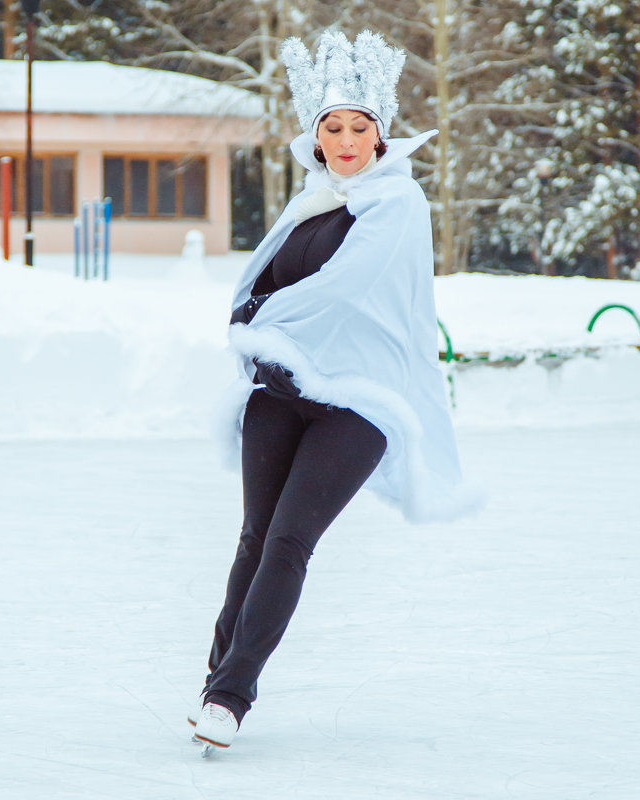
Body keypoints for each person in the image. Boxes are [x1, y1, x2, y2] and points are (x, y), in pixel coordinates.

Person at [190, 29, 482, 753]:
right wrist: (250, 328)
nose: (346, 140)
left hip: (361, 401)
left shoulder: (397, 204)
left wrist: (263, 326)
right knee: (256, 538)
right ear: (314, 136)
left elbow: (345, 291)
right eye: (332, 127)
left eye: (359, 127)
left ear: (380, 135)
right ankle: (216, 680)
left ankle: (231, 696)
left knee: (291, 538)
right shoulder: (312, 202)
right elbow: (254, 284)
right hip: (281, 392)